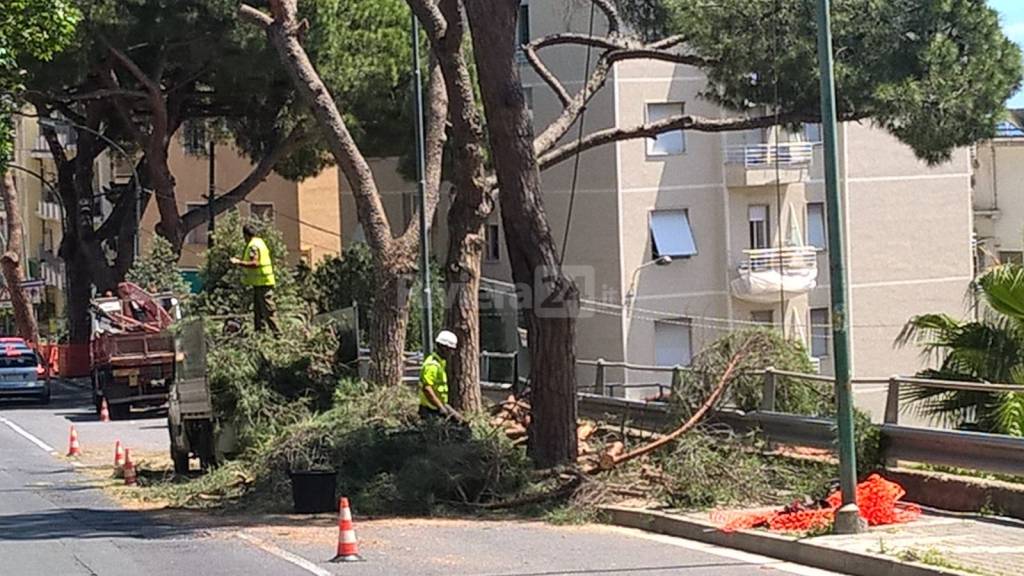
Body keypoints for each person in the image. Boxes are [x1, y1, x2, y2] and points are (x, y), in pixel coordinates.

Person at [230, 223, 279, 333]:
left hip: (263, 283)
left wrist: (238, 262)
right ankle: (260, 336)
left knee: (268, 311)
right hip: (259, 284)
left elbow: (255, 263)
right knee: (259, 313)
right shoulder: (260, 242)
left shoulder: (253, 246)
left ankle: (278, 335)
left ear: (245, 235)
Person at [419, 330, 462, 421]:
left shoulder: (440, 364)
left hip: (437, 407)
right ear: (443, 348)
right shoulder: (432, 365)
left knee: (459, 421)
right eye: (450, 349)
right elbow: (427, 388)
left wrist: (447, 408)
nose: (452, 353)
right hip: (430, 411)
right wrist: (440, 407)